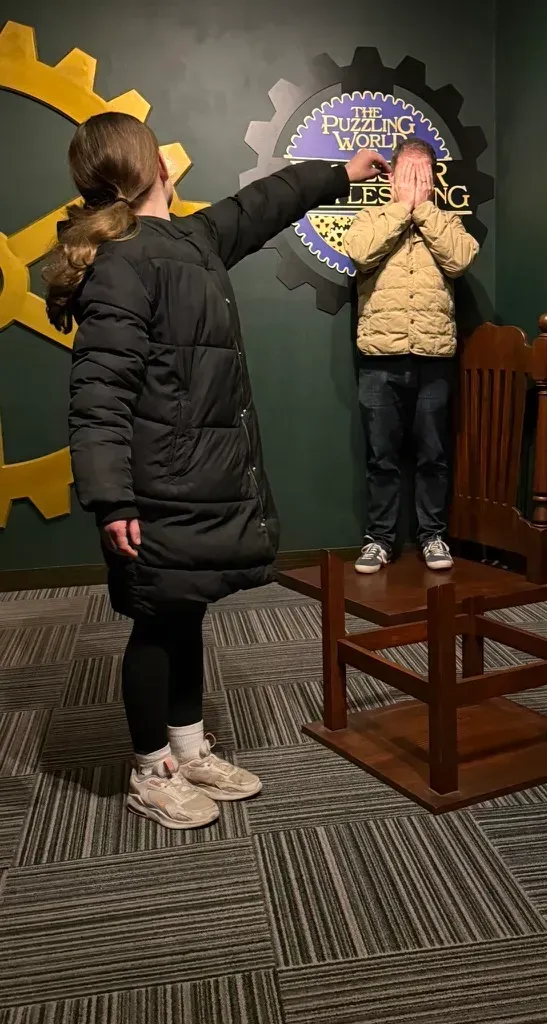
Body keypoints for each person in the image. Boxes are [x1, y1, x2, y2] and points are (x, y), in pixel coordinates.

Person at [44, 111, 389, 829]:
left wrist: (340, 174)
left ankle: (188, 747)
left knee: (186, 610)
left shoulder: (191, 239)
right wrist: (111, 500)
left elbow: (262, 204)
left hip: (196, 478)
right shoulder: (122, 263)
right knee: (154, 623)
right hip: (153, 487)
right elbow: (99, 393)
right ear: (148, 166)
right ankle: (149, 769)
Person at [344, 138, 479, 575]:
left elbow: (459, 262)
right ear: (392, 178)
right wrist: (402, 209)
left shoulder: (448, 223)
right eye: (408, 175)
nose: (415, 183)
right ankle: (379, 540)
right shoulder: (371, 219)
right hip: (380, 361)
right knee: (381, 458)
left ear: (434, 181)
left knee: (433, 456)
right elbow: (360, 253)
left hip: (433, 359)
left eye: (423, 175)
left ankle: (432, 536)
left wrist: (422, 210)